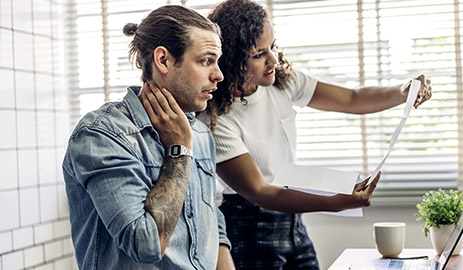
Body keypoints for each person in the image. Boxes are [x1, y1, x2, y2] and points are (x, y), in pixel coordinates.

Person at [196, 0, 433, 269]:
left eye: (272, 47)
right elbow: (261, 192)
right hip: (249, 226)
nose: (273, 59)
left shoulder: (282, 83)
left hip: (293, 220)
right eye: (259, 54)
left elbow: (351, 99)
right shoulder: (215, 119)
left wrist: (402, 92)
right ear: (232, 60)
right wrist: (335, 203)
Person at [62, 5, 235, 269]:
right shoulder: (101, 135)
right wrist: (179, 149)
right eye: (206, 61)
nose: (218, 75)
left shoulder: (199, 133)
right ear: (163, 60)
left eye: (217, 61)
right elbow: (146, 244)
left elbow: (214, 225)